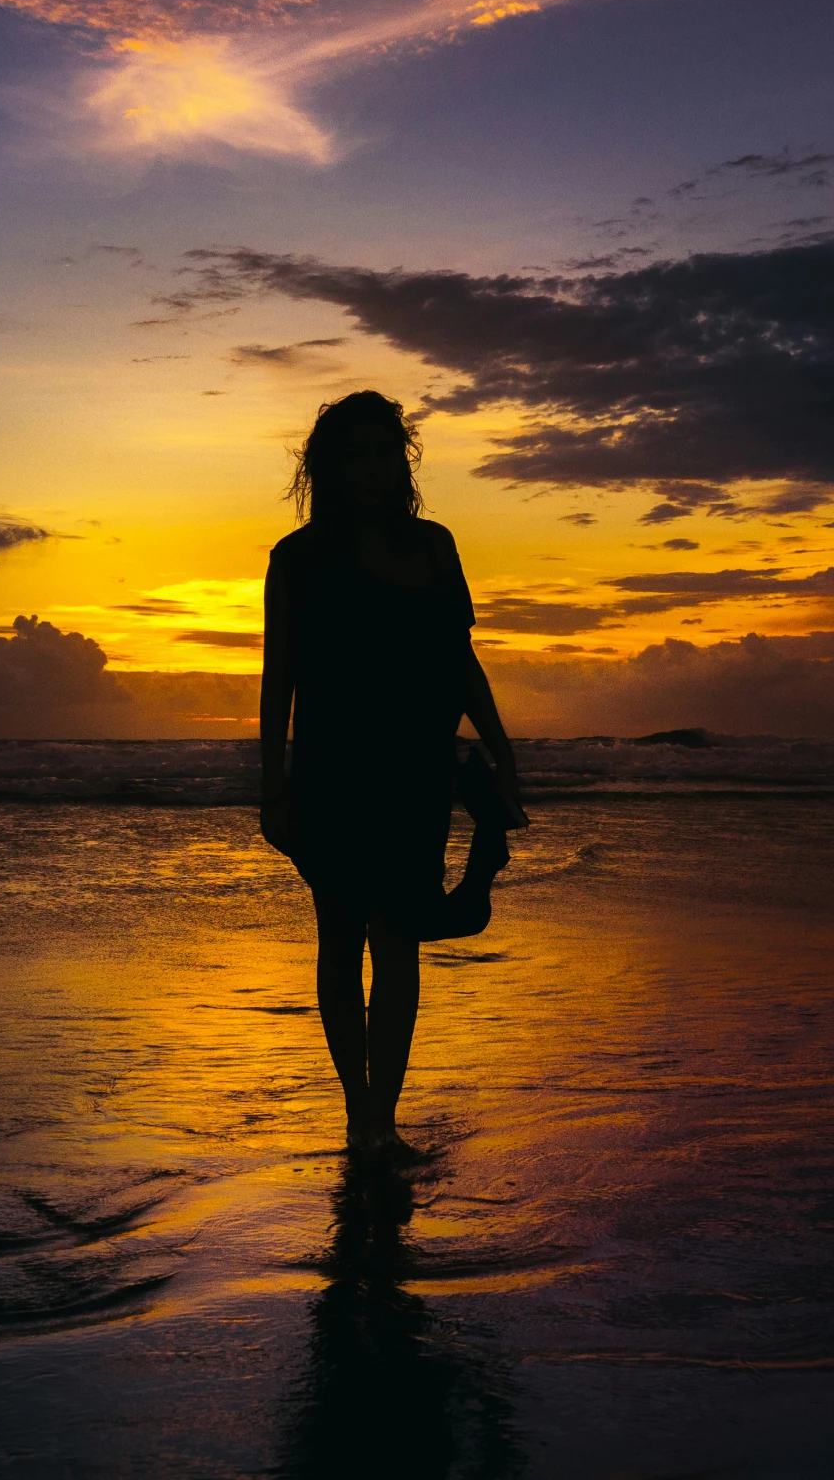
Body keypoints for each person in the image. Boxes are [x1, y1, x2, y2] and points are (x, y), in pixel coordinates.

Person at [259, 391, 525, 1160]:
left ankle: (384, 1117)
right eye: (356, 453)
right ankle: (357, 1116)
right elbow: (281, 676)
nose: (373, 468)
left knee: (399, 937)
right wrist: (272, 787)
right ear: (328, 465)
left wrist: (501, 742)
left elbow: (457, 657)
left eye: (385, 452)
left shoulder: (434, 546)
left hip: (414, 770)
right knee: (342, 939)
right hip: (331, 769)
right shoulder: (298, 558)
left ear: (400, 464)